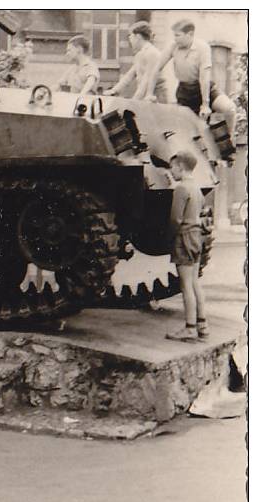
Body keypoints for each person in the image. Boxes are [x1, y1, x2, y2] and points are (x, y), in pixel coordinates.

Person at [147, 19, 236, 136]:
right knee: (190, 133)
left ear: (190, 34)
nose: (175, 39)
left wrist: (205, 104)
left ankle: (230, 139)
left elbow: (204, 77)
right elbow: (156, 68)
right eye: (174, 35)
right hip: (185, 92)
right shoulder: (173, 46)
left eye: (178, 35)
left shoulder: (203, 48)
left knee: (230, 109)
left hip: (205, 89)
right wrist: (149, 93)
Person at [165, 150, 207, 342]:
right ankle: (202, 326)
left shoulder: (181, 189)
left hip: (184, 238)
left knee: (185, 285)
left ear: (180, 166)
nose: (170, 171)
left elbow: (176, 218)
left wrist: (168, 238)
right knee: (195, 282)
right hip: (197, 237)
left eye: (172, 167)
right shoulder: (196, 188)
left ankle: (189, 329)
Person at [106, 21, 168, 103]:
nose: (130, 40)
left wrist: (135, 101)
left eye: (130, 37)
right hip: (145, 96)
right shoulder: (140, 54)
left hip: (156, 97)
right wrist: (114, 90)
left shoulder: (152, 53)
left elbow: (147, 80)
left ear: (138, 36)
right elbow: (130, 75)